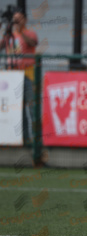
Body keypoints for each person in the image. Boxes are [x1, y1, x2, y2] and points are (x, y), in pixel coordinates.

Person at [0, 10, 38, 144]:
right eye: (14, 19)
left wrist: (20, 31)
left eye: (19, 19)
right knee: (19, 111)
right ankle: (25, 139)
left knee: (32, 108)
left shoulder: (29, 33)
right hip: (12, 77)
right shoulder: (9, 36)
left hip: (27, 74)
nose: (16, 22)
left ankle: (36, 140)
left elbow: (33, 43)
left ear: (25, 20)